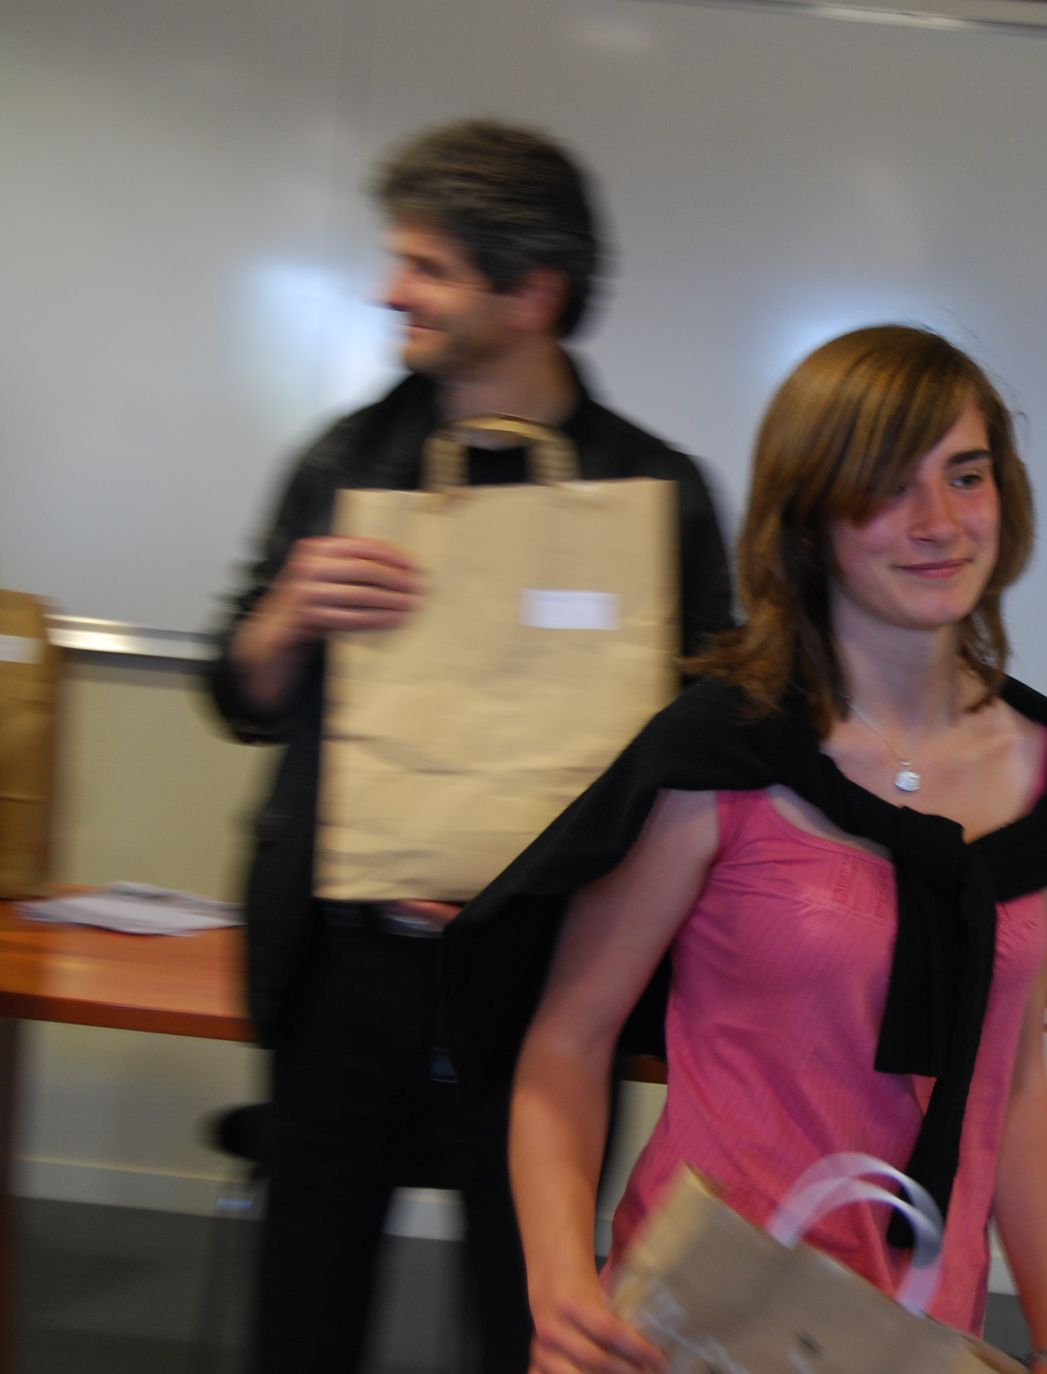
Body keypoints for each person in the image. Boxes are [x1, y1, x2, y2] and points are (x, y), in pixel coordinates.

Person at [440, 325, 1047, 1374]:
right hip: (703, 1321)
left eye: (965, 475)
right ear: (809, 518)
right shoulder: (725, 750)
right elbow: (565, 1043)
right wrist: (560, 1283)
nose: (939, 523)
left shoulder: (1044, 779)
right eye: (885, 487)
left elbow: (1016, 1079)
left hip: (920, 1333)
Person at [206, 119, 734, 1374]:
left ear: (531, 292)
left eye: (428, 267)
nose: (393, 291)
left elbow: (713, 745)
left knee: (534, 1322)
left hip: (547, 991)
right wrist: (288, 613)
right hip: (346, 970)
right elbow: (237, 691)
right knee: (303, 1321)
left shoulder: (652, 492)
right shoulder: (346, 463)